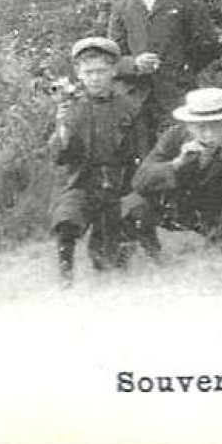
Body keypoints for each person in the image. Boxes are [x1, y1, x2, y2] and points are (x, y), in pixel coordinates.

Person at [107, 0, 220, 155]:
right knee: (146, 157)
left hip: (177, 93)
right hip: (140, 100)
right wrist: (135, 64)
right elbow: (113, 59)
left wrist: (182, 68)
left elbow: (208, 44)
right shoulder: (122, 8)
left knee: (184, 151)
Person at [49, 36, 141, 284]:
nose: (95, 78)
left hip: (119, 184)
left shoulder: (129, 107)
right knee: (67, 219)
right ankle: (65, 277)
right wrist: (62, 127)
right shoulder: (72, 108)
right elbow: (58, 156)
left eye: (101, 71)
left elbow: (142, 151)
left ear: (113, 71)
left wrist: (135, 190)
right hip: (82, 182)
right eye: (89, 72)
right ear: (79, 74)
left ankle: (116, 269)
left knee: (107, 258)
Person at [124, 88, 222, 245]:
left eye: (216, 126)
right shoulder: (173, 138)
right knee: (132, 204)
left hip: (210, 212)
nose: (209, 134)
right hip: (171, 210)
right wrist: (177, 163)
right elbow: (139, 181)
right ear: (188, 126)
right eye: (201, 127)